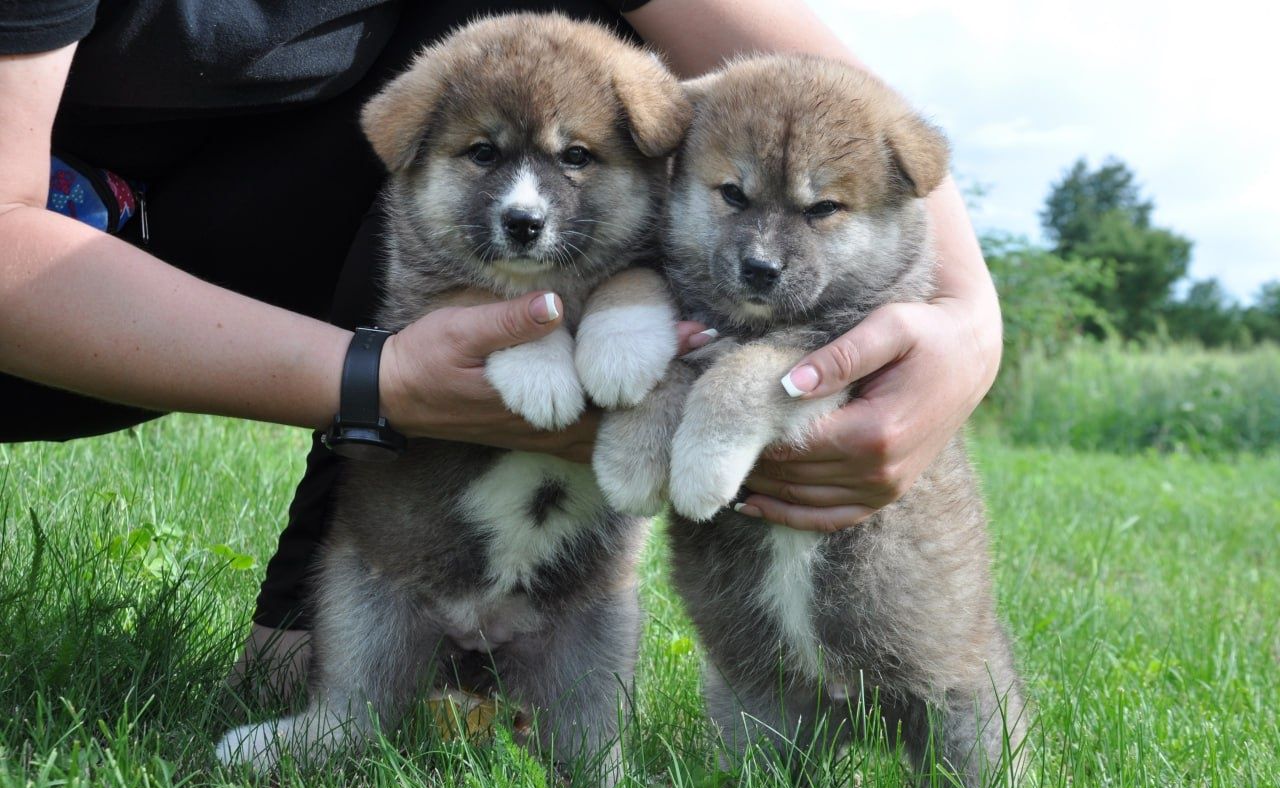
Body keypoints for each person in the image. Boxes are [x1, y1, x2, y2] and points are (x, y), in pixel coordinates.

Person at [0, 0, 1003, 702]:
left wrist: (961, 321)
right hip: (42, 288)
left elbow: (813, 90)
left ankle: (331, 614)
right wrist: (374, 380)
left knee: (553, 32)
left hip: (222, 223)